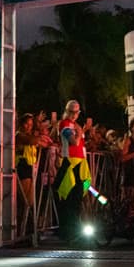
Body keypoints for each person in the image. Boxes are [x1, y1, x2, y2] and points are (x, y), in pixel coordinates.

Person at [54, 99, 89, 242]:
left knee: (77, 198)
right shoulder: (65, 124)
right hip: (70, 163)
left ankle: (74, 230)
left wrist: (81, 131)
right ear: (67, 111)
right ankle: (69, 231)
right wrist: (80, 132)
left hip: (80, 163)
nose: (74, 115)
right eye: (71, 112)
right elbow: (73, 141)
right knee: (69, 198)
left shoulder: (75, 125)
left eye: (76, 112)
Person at [16, 114, 41, 224]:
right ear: (21, 124)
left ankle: (26, 225)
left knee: (30, 201)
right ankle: (21, 224)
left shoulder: (30, 136)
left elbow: (44, 142)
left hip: (30, 168)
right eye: (27, 124)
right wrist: (39, 134)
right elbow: (33, 141)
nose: (28, 127)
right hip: (22, 167)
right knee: (25, 200)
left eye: (31, 125)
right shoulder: (19, 135)